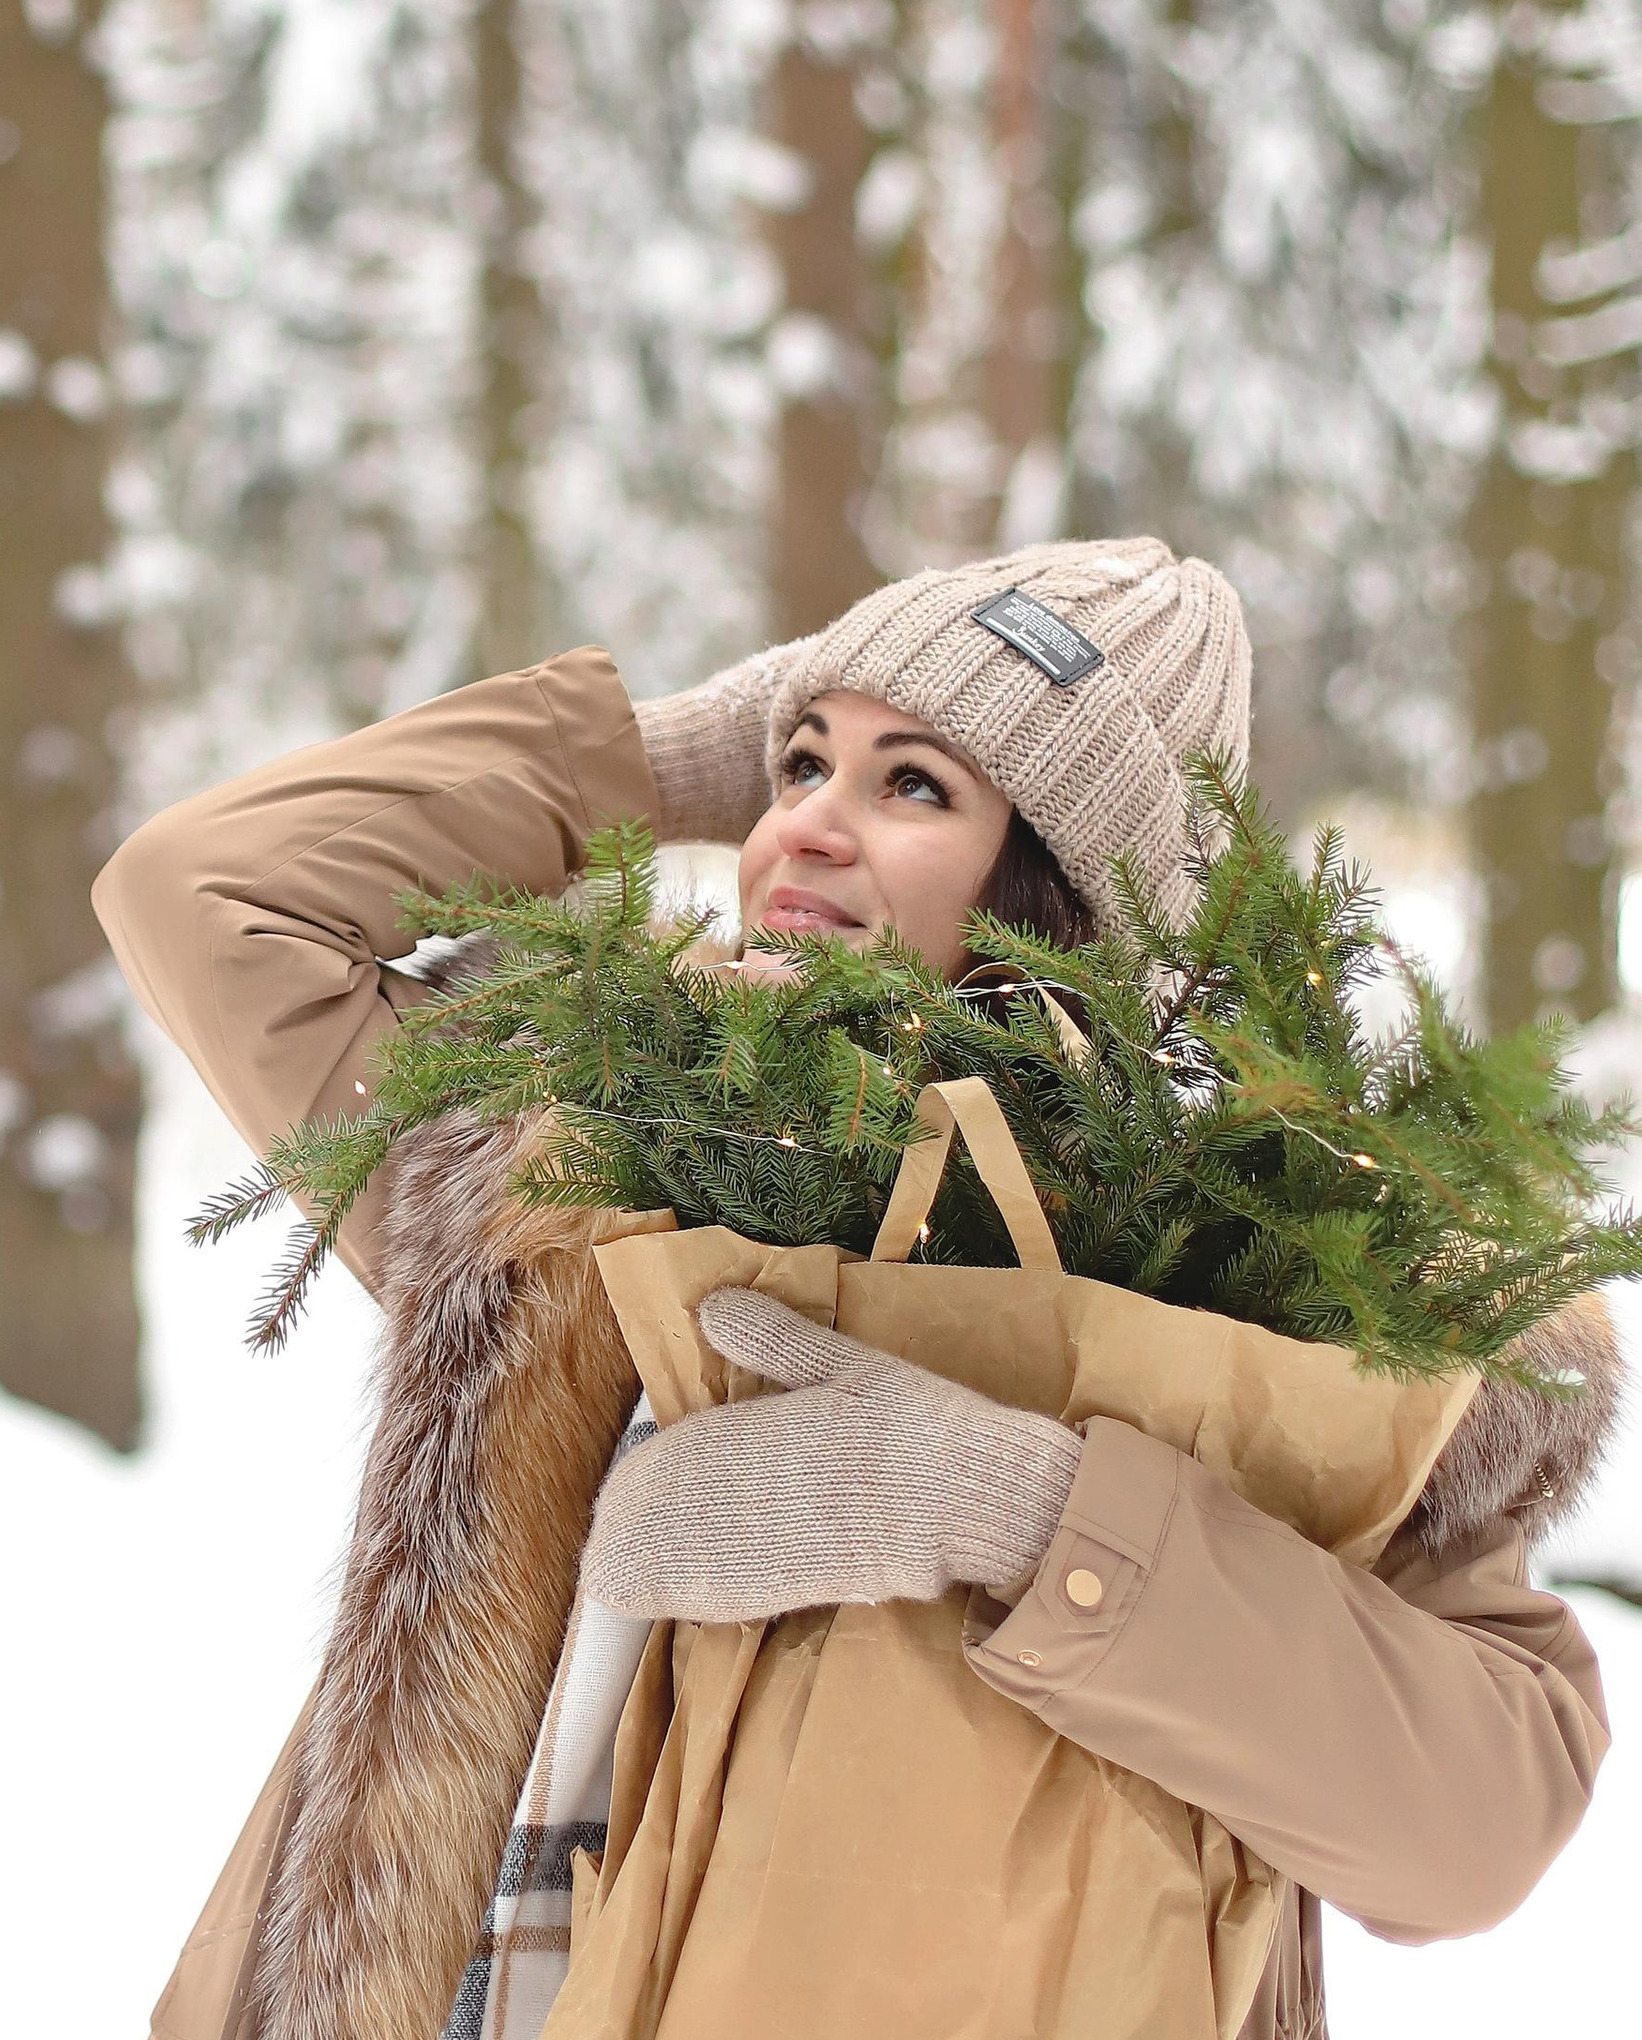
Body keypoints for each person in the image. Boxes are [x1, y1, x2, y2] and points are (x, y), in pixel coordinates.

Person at [95, 537, 1619, 2040]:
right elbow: (206, 890)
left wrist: (1025, 1514)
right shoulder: (572, 1153)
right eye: (801, 766)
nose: (805, 828)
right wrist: (680, 757)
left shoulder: (1255, 1282)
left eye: (917, 787)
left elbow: (1478, 1826)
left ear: (1075, 894)